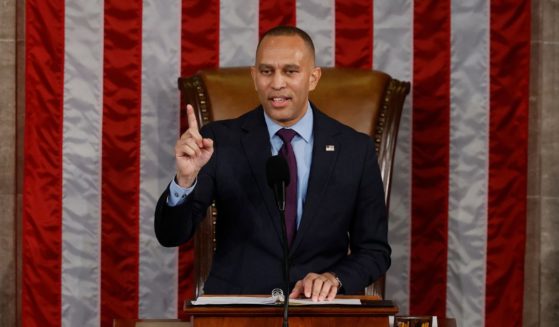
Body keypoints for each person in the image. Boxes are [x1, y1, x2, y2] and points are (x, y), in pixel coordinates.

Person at [154, 25, 391, 302]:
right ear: (255, 77)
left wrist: (334, 279)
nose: (277, 83)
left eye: (290, 71)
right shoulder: (217, 141)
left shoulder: (355, 149)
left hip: (318, 311)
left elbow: (375, 251)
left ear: (313, 78)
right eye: (267, 71)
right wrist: (185, 180)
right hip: (237, 311)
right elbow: (171, 235)